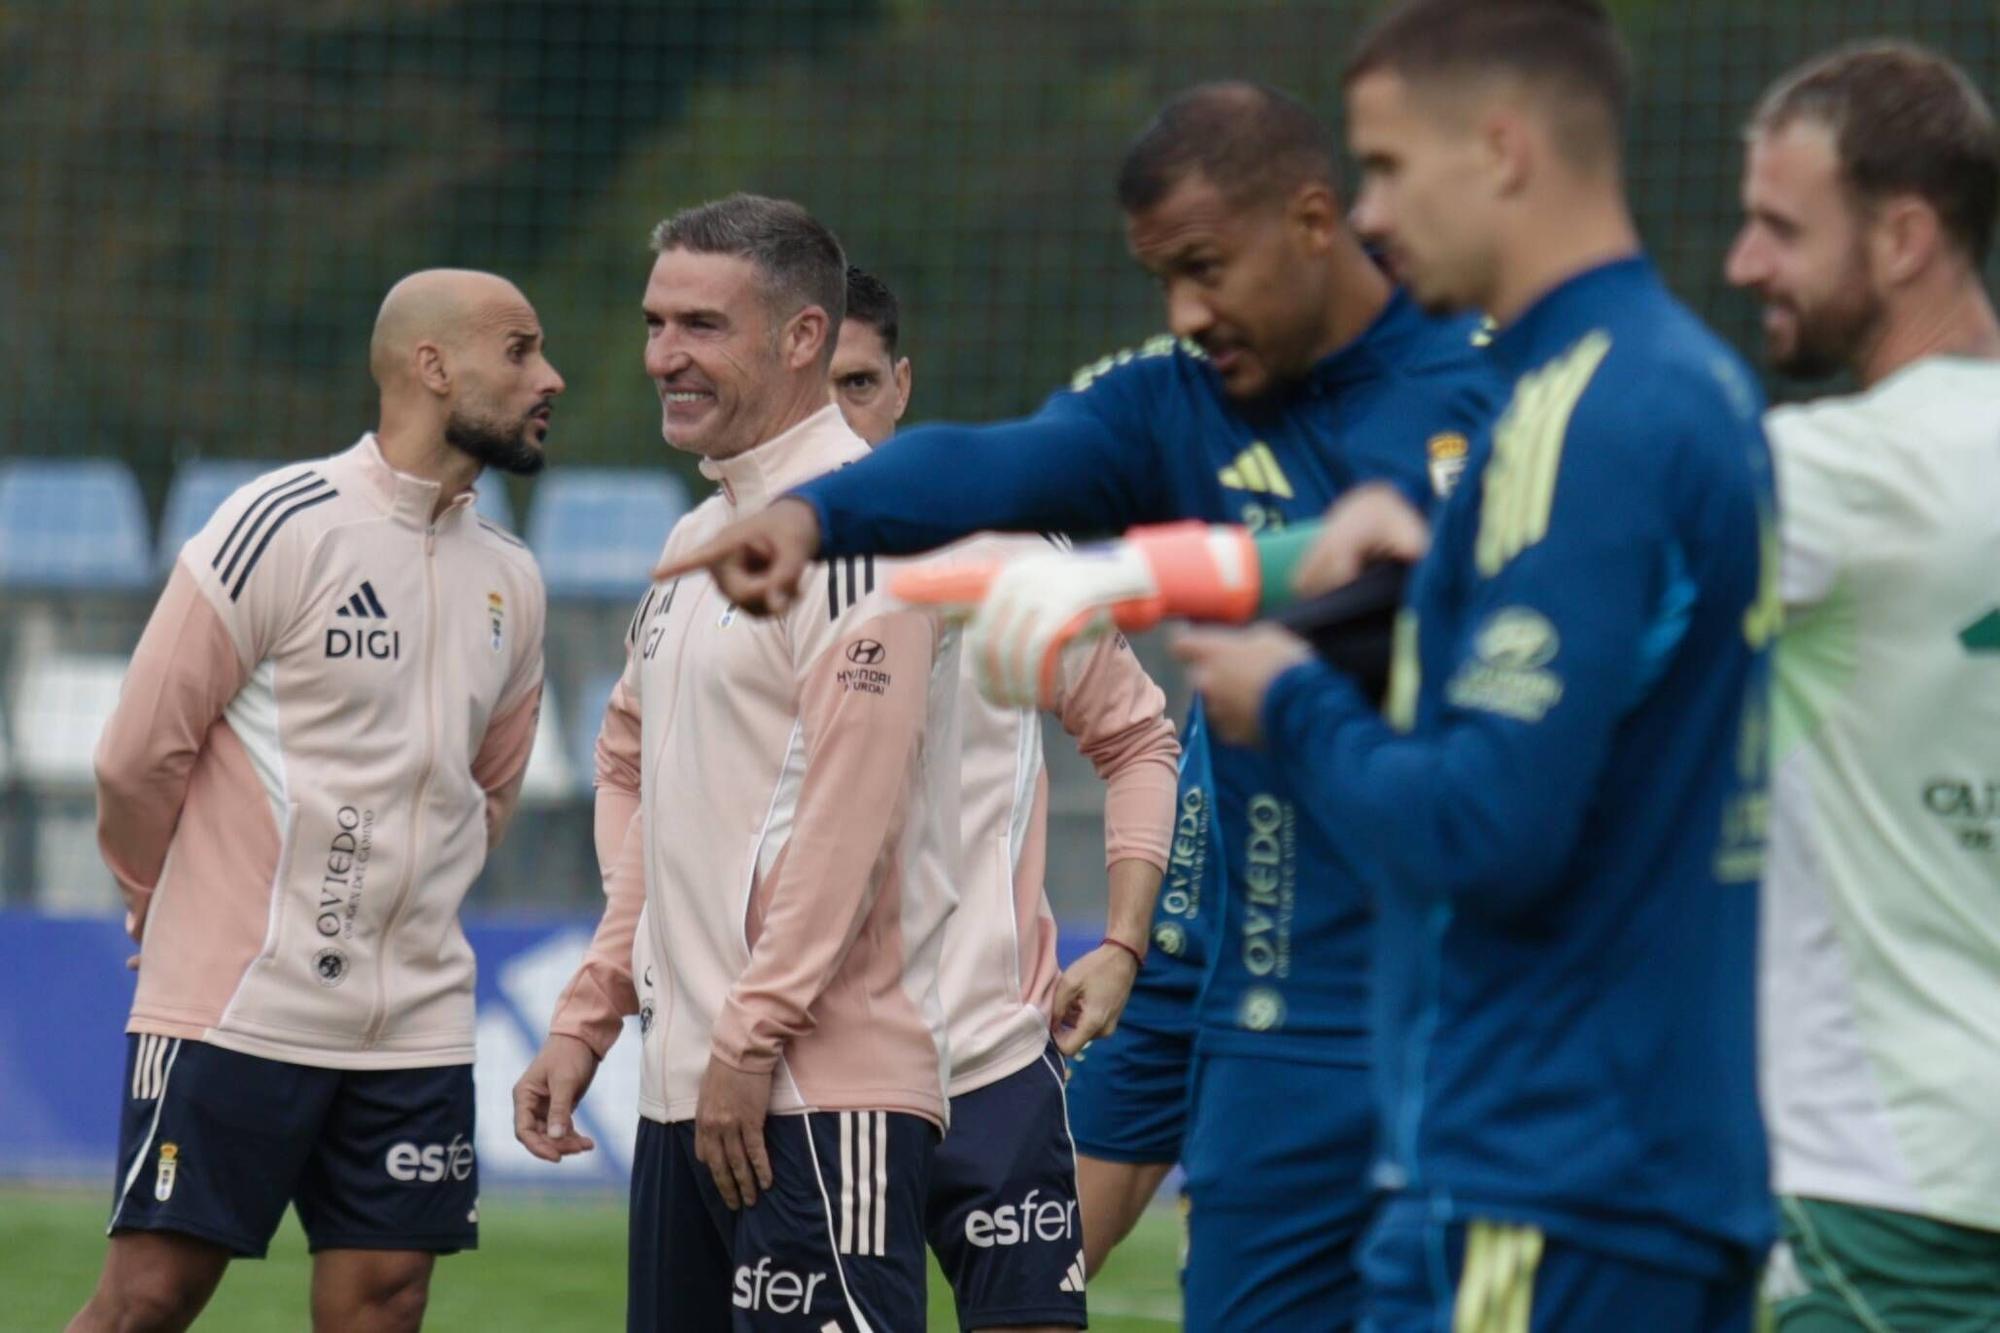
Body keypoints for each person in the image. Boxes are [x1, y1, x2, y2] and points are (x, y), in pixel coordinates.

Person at [661, 84, 1495, 1328]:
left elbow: (1409, 599)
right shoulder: (1177, 391)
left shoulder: (1490, 399)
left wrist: (1146, 580)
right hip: (1251, 994)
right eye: (1162, 276)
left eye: (1204, 267)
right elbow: (1002, 458)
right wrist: (819, 517)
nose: (1184, 313)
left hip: (1453, 990)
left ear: (1314, 222)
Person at [68, 270, 558, 1333]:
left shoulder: (512, 577)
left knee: (385, 1302)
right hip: (241, 998)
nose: (547, 378)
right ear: (432, 367)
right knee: (150, 1296)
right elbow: (137, 756)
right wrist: (167, 900)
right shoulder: (279, 523)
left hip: (417, 1022)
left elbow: (491, 787)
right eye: (519, 352)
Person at [510, 195, 965, 1333]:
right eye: (656, 322)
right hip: (689, 1092)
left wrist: (749, 1037)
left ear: (803, 336)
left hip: (812, 1094)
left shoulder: (864, 525)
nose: (664, 355)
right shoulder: (694, 540)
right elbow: (651, 793)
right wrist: (590, 1011)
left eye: (702, 326)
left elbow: (845, 822)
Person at [834, 264, 1183, 1330]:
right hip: (820, 1073)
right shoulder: (739, 569)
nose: (837, 420)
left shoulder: (1005, 556)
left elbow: (1134, 736)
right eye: (813, 389)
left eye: (856, 384)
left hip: (995, 1050)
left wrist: (1122, 941)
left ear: (900, 385)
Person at [1725, 43, 2000, 1330]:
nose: (1743, 264)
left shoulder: (1834, 478)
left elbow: (1508, 550)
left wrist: (1171, 565)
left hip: (1888, 1195)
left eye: (1779, 227)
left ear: (1901, 238)